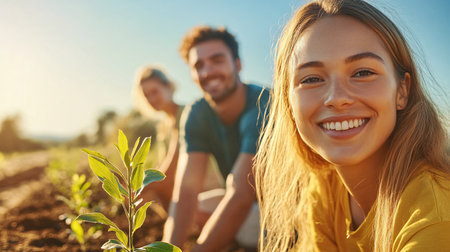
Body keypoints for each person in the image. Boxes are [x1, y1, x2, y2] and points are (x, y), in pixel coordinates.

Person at [254, 0, 450, 251]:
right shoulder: (327, 186)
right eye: (312, 78)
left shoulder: (435, 218)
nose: (336, 98)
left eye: (362, 73)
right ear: (288, 101)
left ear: (402, 90)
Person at [163, 26, 270, 251]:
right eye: (198, 66)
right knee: (194, 207)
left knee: (234, 218)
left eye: (217, 60)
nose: (207, 72)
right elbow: (186, 192)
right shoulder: (197, 113)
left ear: (238, 64)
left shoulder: (263, 102)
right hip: (248, 208)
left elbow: (241, 194)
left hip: (290, 208)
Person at [133, 66, 183, 211]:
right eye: (146, 95)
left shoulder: (184, 115)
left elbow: (168, 171)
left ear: (168, 87)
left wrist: (139, 188)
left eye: (155, 91)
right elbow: (161, 165)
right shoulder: (163, 125)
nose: (151, 99)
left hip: (199, 189)